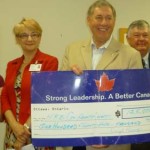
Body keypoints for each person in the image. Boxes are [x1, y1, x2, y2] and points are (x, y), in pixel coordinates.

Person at [60, 0, 143, 150]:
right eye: (99, 17)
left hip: (114, 142)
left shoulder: (131, 55)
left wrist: (112, 135)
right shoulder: (71, 49)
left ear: (114, 21)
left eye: (109, 18)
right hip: (76, 138)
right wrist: (67, 79)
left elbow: (135, 104)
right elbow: (61, 91)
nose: (104, 22)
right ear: (88, 20)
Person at [1, 18, 58, 150]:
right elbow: (4, 97)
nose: (30, 39)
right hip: (13, 131)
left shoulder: (49, 62)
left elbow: (46, 96)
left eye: (34, 34)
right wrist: (14, 126)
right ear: (17, 39)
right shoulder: (11, 65)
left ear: (40, 37)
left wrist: (25, 129)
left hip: (37, 130)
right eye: (24, 35)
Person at [126, 19, 150, 150]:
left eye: (145, 35)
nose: (141, 39)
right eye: (136, 35)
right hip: (130, 125)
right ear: (128, 39)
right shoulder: (118, 62)